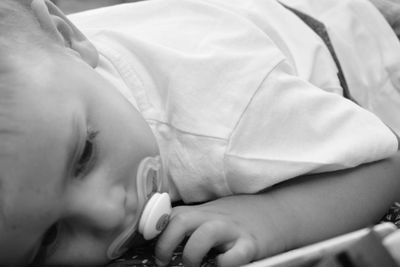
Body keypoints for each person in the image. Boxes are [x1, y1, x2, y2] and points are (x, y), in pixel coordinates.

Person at [0, 0, 400, 266]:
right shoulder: (44, 78)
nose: (107, 212)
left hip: (346, 39)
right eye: (49, 237)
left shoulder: (222, 118)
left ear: (67, 36)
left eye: (85, 155)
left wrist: (275, 217)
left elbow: (383, 160)